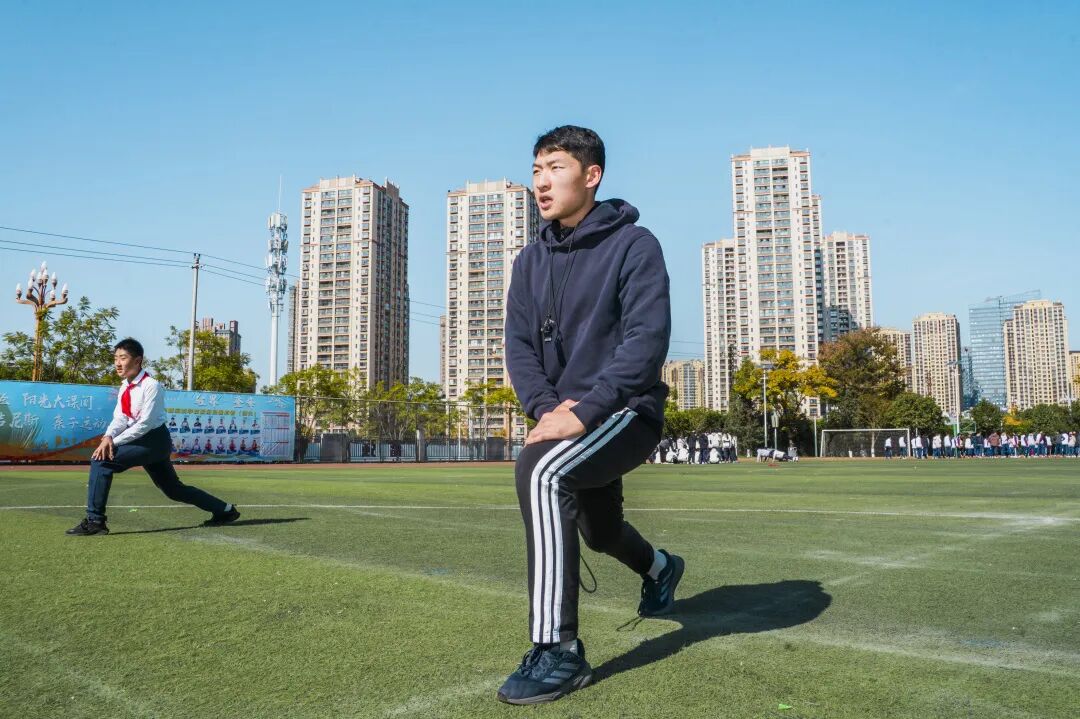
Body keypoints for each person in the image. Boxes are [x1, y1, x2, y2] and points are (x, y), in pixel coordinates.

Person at [498, 126, 684, 705]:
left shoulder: (635, 246)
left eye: (555, 167)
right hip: (565, 417)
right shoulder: (530, 260)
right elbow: (518, 347)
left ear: (591, 175)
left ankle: (557, 649)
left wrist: (586, 411)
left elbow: (646, 343)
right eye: (536, 170)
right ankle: (659, 568)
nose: (541, 182)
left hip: (626, 410)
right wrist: (547, 409)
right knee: (599, 532)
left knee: (539, 471)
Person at [66, 338, 240, 536]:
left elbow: (145, 424)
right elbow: (121, 417)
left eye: (123, 358)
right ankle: (225, 510)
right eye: (115, 358)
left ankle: (95, 521)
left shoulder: (151, 386)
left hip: (154, 440)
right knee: (173, 489)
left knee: (101, 461)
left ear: (137, 360)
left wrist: (113, 442)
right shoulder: (125, 387)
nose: (117, 363)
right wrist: (108, 436)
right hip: (144, 440)